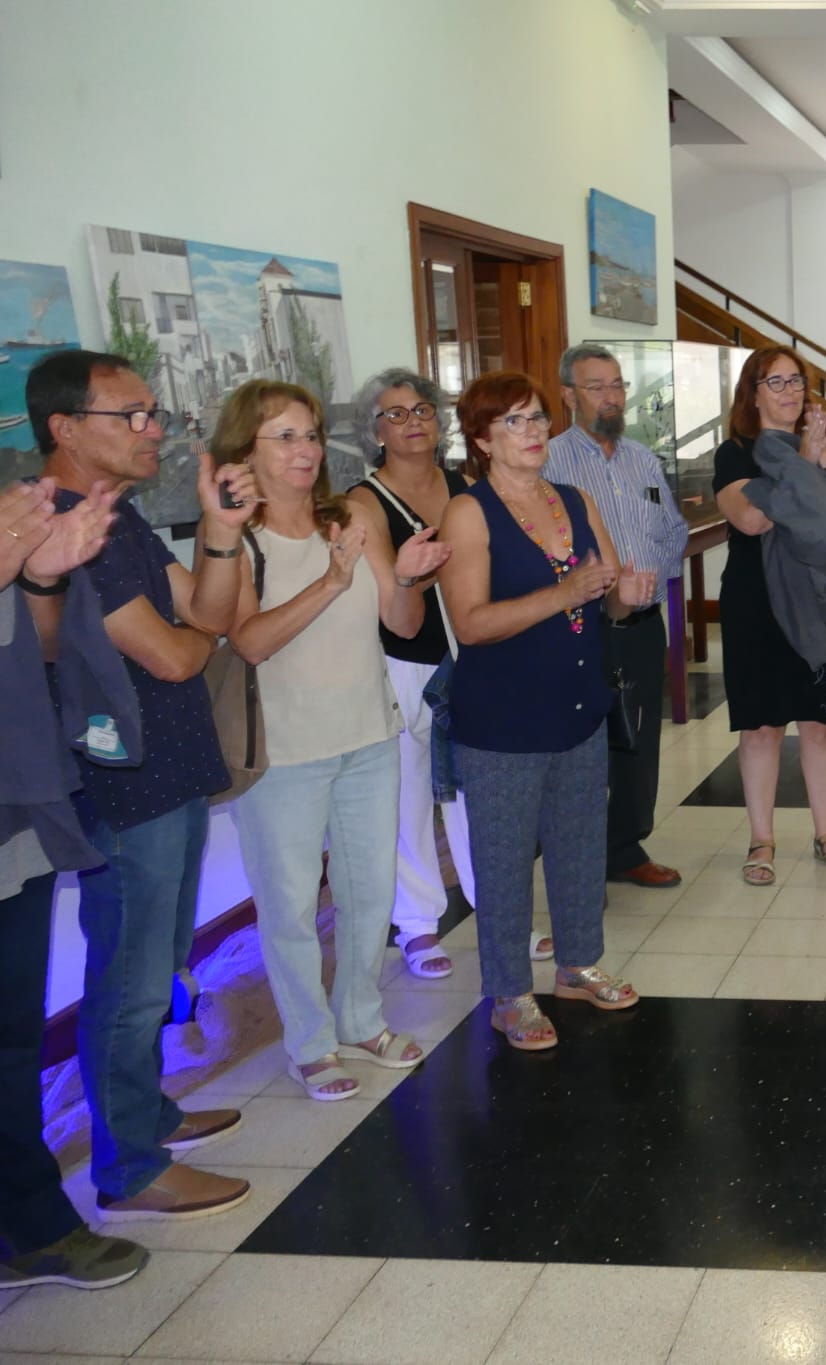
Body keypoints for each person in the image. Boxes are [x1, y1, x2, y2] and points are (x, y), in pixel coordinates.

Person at [29, 349, 254, 1221]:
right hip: (124, 788)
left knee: (156, 965)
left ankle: (148, 1114)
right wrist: (202, 640)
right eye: (132, 415)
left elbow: (206, 607)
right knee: (126, 982)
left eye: (155, 413)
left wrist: (221, 530)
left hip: (170, 773)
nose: (153, 428)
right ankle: (129, 1165)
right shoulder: (58, 523)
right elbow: (175, 650)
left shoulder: (115, 517)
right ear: (66, 428)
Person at [217, 380, 447, 1098]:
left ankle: (361, 1017)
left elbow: (401, 623)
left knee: (367, 892)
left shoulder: (346, 515)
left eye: (311, 434)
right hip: (284, 753)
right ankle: (310, 1043)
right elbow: (249, 640)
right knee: (287, 907)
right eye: (284, 436)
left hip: (369, 735)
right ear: (244, 449)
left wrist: (404, 577)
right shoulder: (234, 536)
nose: (305, 450)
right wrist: (331, 579)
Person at [439, 371, 651, 1052]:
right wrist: (568, 595)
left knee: (580, 847)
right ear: (481, 440)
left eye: (535, 419)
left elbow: (607, 598)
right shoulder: (469, 512)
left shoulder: (574, 498)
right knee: (502, 861)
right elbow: (470, 623)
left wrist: (628, 594)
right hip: (502, 721)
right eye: (513, 423)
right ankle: (508, 992)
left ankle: (578, 964)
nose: (531, 433)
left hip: (578, 707)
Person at [0, 477, 150, 1288]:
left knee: (13, 1043)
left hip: (13, 803)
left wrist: (41, 578)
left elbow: (44, 651)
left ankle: (31, 1229)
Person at [344, 369, 504, 982]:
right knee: (409, 794)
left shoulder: (465, 485)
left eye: (422, 410)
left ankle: (497, 907)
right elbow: (395, 608)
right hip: (405, 666)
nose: (414, 423)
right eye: (396, 414)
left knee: (479, 791)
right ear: (375, 432)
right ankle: (415, 925)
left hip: (475, 657)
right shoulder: (364, 502)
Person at [713, 346, 826, 887]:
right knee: (761, 727)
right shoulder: (735, 454)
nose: (788, 391)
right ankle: (762, 839)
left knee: (820, 725)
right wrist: (803, 465)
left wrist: (824, 459)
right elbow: (752, 519)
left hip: (819, 599)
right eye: (774, 382)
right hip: (757, 602)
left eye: (795, 381)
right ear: (751, 394)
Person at [544, 344, 691, 889]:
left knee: (639, 738)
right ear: (568, 395)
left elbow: (672, 530)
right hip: (578, 627)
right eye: (595, 386)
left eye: (617, 385)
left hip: (641, 625)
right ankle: (577, 854)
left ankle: (626, 848)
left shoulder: (643, 459)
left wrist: (651, 577)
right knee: (584, 744)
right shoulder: (551, 462)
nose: (610, 397)